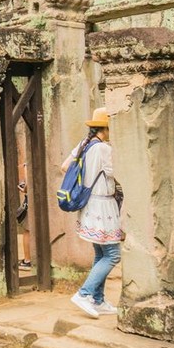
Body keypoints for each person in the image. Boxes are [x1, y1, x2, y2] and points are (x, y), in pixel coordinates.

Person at [63, 108, 122, 319]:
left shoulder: (84, 144)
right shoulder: (104, 149)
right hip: (103, 206)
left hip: (88, 205)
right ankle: (84, 293)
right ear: (106, 128)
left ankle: (98, 299)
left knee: (101, 254)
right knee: (114, 254)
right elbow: (120, 175)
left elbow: (64, 167)